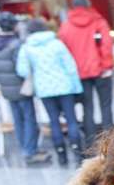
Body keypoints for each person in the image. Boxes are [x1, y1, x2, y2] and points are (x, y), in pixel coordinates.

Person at [17, 19, 84, 166]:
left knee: (54, 121)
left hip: (44, 89)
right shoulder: (57, 44)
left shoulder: (26, 48)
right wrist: (77, 88)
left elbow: (22, 70)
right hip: (65, 87)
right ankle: (78, 154)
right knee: (71, 120)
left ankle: (62, 156)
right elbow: (70, 66)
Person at [0, 12, 50, 165]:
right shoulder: (17, 45)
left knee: (18, 119)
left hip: (7, 90)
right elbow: (22, 68)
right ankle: (31, 151)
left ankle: (25, 148)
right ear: (13, 25)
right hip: (21, 89)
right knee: (29, 119)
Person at [58, 0, 114, 148]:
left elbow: (64, 52)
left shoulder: (65, 26)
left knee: (87, 108)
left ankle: (90, 142)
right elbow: (106, 45)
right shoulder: (98, 22)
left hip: (79, 74)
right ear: (88, 5)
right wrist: (107, 66)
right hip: (101, 71)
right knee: (106, 105)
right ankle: (109, 141)